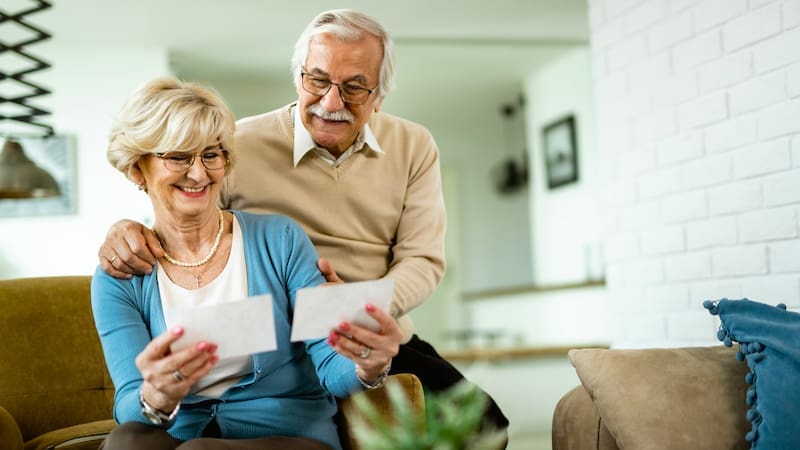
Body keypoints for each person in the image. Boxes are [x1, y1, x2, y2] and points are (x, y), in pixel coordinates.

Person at [98, 8, 509, 435]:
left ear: (379, 95)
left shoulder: (413, 146)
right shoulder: (239, 142)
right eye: (318, 80)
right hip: (271, 334)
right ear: (298, 77)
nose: (332, 102)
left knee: (483, 426)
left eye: (354, 87)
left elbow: (422, 261)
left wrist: (349, 308)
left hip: (363, 327)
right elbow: (187, 210)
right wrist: (127, 229)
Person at [92, 76, 402, 450]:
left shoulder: (280, 240)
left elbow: (331, 364)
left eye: (211, 154)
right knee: (128, 441)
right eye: (178, 156)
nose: (198, 173)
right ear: (137, 170)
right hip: (182, 432)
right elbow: (130, 403)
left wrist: (368, 365)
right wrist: (155, 396)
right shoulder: (120, 277)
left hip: (291, 436)